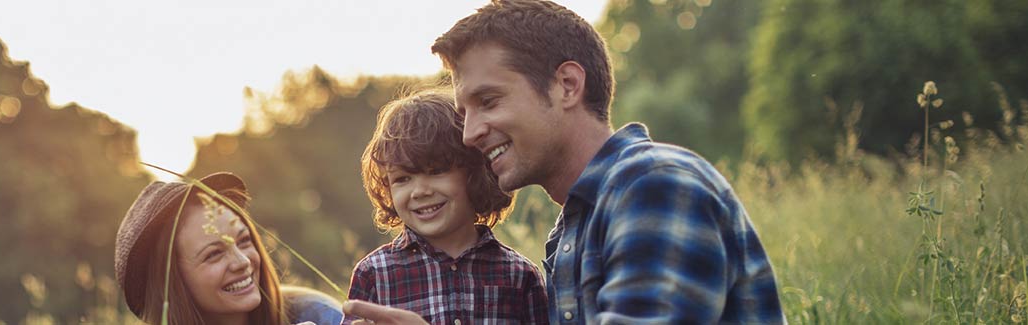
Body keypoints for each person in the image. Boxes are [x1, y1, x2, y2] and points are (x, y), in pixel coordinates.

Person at [344, 1, 785, 324]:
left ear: (567, 85)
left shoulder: (654, 186)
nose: (469, 133)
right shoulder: (570, 232)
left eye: (489, 101)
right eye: (466, 111)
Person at [346, 90, 548, 324]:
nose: (420, 191)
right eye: (402, 178)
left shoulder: (519, 275)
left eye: (436, 171)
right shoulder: (374, 274)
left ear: (475, 173)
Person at [115, 172, 343, 324]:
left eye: (244, 241)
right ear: (171, 283)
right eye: (214, 254)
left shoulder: (316, 315)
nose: (243, 261)